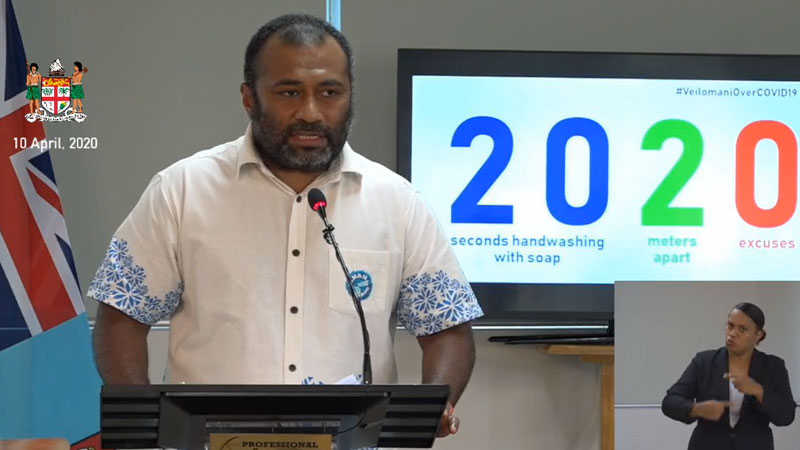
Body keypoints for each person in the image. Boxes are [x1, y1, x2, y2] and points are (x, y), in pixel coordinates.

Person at [88, 13, 482, 441]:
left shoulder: (397, 202)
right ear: (249, 97)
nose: (311, 112)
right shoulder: (181, 191)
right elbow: (122, 315)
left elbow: (447, 326)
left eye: (329, 92)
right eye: (289, 92)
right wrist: (146, 421)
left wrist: (435, 404)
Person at [661, 303, 795, 449]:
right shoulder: (704, 362)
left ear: (758, 335)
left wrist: (759, 391)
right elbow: (669, 402)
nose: (732, 333)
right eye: (730, 326)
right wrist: (696, 409)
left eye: (742, 329)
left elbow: (787, 415)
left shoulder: (773, 366)